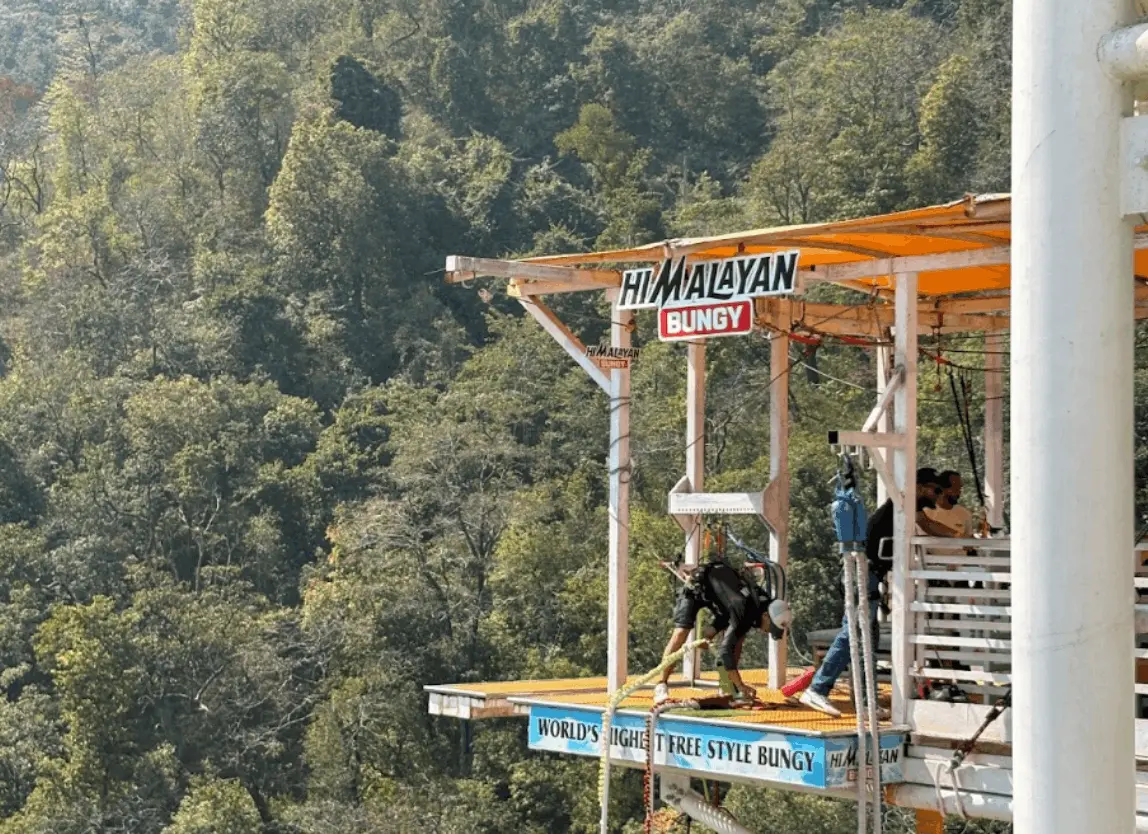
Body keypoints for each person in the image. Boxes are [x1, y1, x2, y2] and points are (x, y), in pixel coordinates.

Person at [799, 468, 955, 717]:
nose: (937, 496)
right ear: (922, 487)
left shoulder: (901, 507)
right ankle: (818, 688)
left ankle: (865, 701)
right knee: (853, 634)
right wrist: (959, 536)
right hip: (863, 575)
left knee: (866, 640)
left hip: (867, 576)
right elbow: (927, 524)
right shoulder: (902, 504)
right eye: (935, 490)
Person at [653, 559, 791, 705]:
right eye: (771, 628)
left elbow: (728, 611)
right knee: (681, 632)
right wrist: (741, 685)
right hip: (697, 587)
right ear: (766, 616)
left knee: (736, 638)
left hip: (722, 602)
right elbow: (725, 652)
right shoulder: (745, 610)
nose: (767, 632)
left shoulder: (760, 604)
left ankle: (727, 687)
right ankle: (661, 685)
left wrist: (714, 629)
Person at [925, 470, 974, 537]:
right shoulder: (926, 513)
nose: (959, 493)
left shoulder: (965, 514)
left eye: (959, 488)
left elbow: (969, 543)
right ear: (942, 489)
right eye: (955, 488)